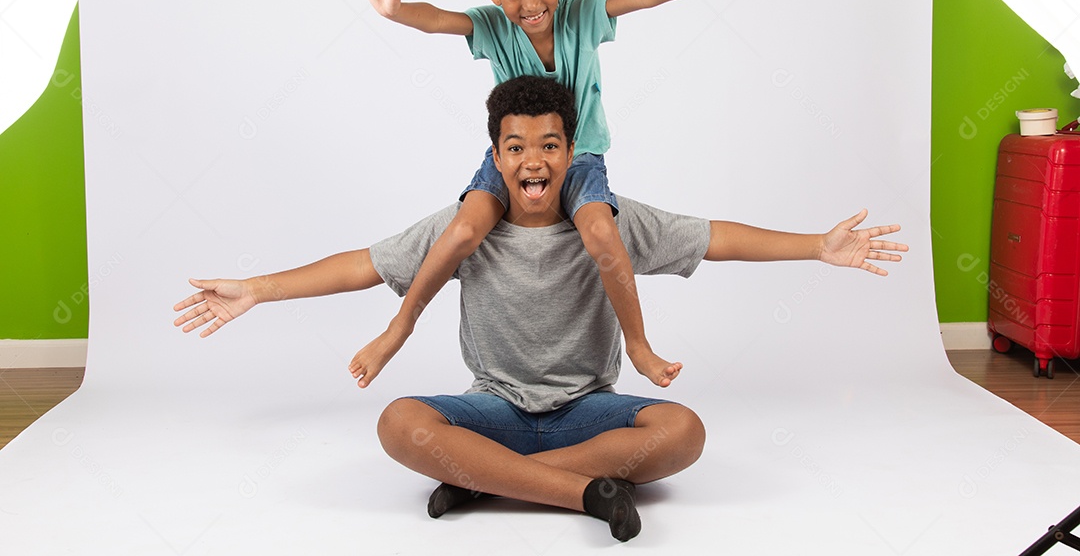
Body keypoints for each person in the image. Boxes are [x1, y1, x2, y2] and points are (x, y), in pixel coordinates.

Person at [173, 76, 907, 542]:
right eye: (517, 146)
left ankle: (482, 479)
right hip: (492, 408)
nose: (534, 160)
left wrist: (818, 246)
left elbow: (714, 239)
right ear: (495, 158)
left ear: (571, 152)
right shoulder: (465, 228)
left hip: (588, 411)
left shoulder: (608, 221)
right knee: (400, 422)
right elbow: (361, 266)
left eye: (550, 145)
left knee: (682, 432)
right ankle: (584, 493)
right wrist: (258, 288)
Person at [349, 0, 748, 389]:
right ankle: (398, 329)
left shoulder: (583, 13)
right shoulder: (492, 26)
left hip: (578, 158)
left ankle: (638, 345)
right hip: (513, 160)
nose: (531, 3)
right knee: (462, 231)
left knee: (600, 232)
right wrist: (394, 11)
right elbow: (436, 19)